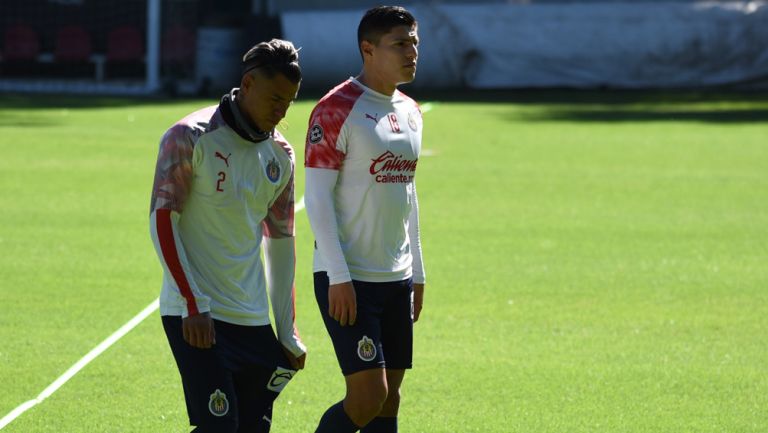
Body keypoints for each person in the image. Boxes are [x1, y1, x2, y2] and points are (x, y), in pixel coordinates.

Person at [149, 39, 306, 433]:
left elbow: (282, 242)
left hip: (252, 319)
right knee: (219, 426)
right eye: (275, 98)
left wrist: (286, 328)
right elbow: (162, 220)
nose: (281, 111)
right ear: (248, 84)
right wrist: (192, 302)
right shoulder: (189, 136)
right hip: (196, 315)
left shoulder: (281, 157)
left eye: (289, 101)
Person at [304, 6, 426, 433]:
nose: (411, 51)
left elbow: (407, 193)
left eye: (414, 42)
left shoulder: (411, 110)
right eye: (400, 44)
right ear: (368, 49)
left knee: (389, 400)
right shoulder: (335, 109)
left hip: (396, 276)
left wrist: (418, 273)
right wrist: (338, 275)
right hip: (349, 278)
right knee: (367, 396)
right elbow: (316, 199)